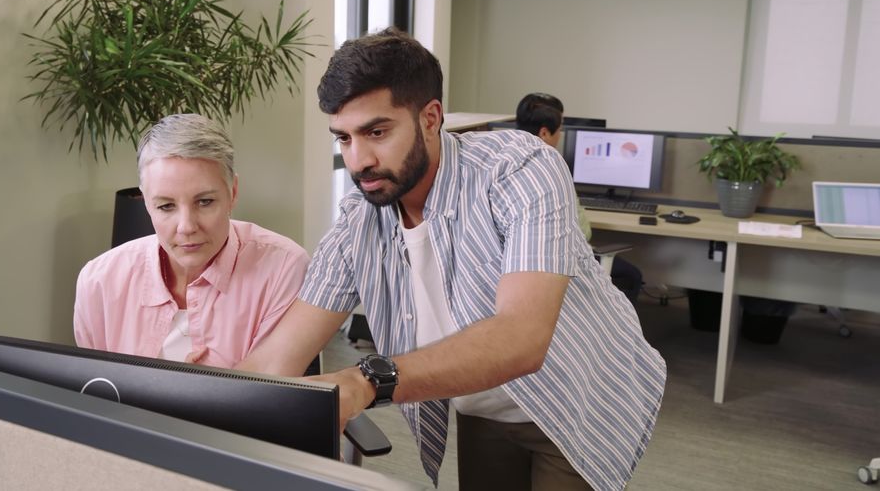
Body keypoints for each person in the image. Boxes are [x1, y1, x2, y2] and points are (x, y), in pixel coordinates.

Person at [238, 28, 665, 490]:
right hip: (482, 400)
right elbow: (277, 358)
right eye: (343, 138)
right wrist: (204, 402)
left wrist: (365, 381)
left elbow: (521, 338)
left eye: (377, 132)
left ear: (430, 118)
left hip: (577, 395)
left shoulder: (519, 168)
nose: (358, 161)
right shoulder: (359, 219)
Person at [74, 113, 309, 368]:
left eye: (205, 202)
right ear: (146, 202)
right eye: (165, 206)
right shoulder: (99, 281)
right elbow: (96, 387)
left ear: (233, 192)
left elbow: (273, 386)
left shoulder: (283, 268)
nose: (186, 227)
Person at [515, 92, 645, 303]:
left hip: (520, 268)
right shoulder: (553, 171)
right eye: (561, 128)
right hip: (559, 265)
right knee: (632, 276)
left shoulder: (504, 164)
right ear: (545, 133)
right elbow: (583, 233)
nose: (561, 134)